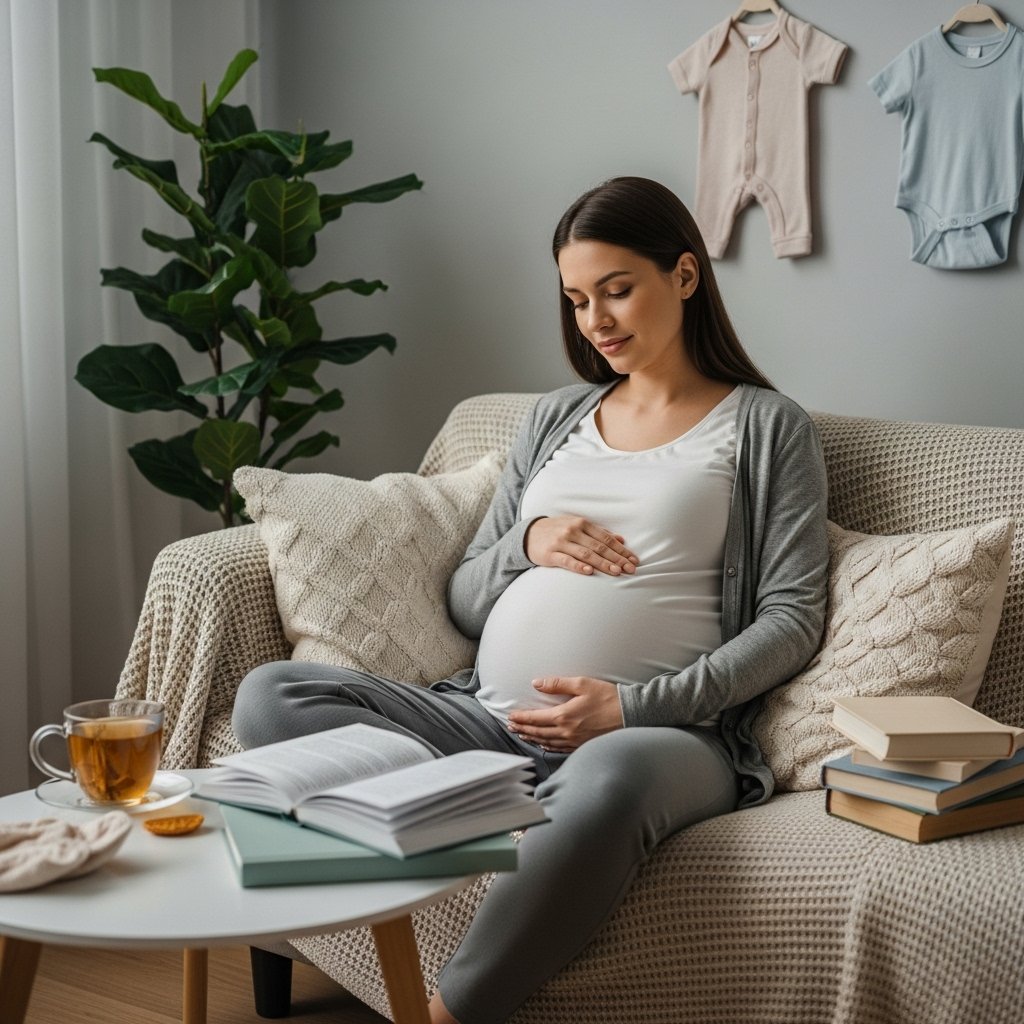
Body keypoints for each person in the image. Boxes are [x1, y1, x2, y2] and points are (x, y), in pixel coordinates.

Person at [232, 176, 829, 1024]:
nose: (596, 321)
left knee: (611, 779)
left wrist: (631, 706)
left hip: (659, 735)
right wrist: (528, 541)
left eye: (618, 290)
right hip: (483, 721)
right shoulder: (555, 418)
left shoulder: (767, 426)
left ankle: (448, 1009)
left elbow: (791, 620)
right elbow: (468, 599)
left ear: (686, 276)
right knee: (271, 694)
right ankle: (483, 802)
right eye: (579, 299)